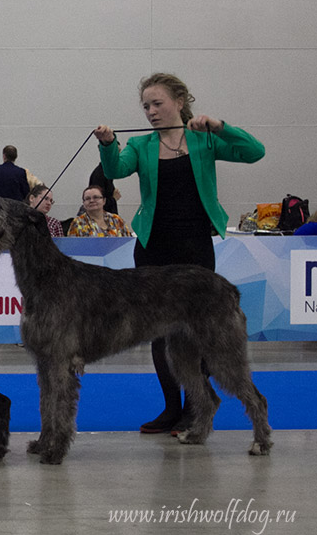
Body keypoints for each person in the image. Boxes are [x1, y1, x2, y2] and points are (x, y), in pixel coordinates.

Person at [94, 72, 265, 435]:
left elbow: (254, 152)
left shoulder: (204, 139)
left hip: (195, 246)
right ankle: (172, 408)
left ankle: (196, 409)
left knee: (200, 331)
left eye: (157, 104)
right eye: (145, 107)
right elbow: (114, 171)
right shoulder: (141, 146)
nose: (151, 112)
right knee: (159, 331)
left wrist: (220, 127)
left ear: (180, 101)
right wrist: (108, 144)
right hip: (154, 246)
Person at [67, 186, 132, 237]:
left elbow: (128, 242)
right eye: (87, 198)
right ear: (83, 203)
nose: (92, 200)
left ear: (104, 201)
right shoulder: (77, 223)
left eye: (96, 197)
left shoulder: (117, 220)